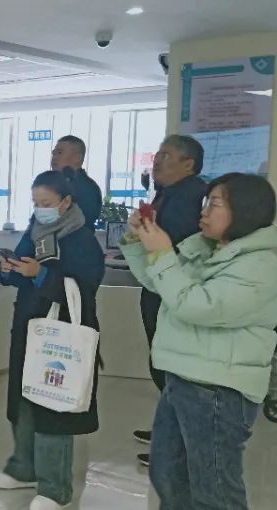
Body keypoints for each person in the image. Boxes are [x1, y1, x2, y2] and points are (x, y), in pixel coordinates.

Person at [121, 172, 277, 509]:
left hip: (219, 389)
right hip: (182, 377)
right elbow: (161, 283)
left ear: (245, 210)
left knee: (213, 489)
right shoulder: (207, 249)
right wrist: (140, 242)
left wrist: (163, 254)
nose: (203, 212)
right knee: (168, 474)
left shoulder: (262, 264)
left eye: (214, 204)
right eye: (205, 202)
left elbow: (196, 305)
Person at [0, 170, 104, 510]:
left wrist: (40, 274)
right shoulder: (35, 231)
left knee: (54, 406)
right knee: (23, 400)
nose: (41, 209)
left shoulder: (81, 238)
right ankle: (23, 467)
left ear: (66, 202)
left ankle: (55, 488)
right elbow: (18, 271)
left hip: (62, 334)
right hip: (29, 327)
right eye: (36, 202)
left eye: (47, 203)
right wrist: (7, 270)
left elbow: (85, 287)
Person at [130, 135, 208, 465]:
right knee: (162, 364)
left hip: (171, 288)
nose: (157, 161)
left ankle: (179, 444)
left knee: (172, 368)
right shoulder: (168, 192)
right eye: (157, 154)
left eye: (166, 155)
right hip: (158, 285)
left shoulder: (190, 195)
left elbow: (171, 243)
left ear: (188, 164)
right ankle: (169, 431)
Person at [50, 135, 101, 228]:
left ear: (77, 158)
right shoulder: (54, 184)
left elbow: (81, 223)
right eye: (54, 153)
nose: (54, 157)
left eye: (60, 153)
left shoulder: (87, 189)